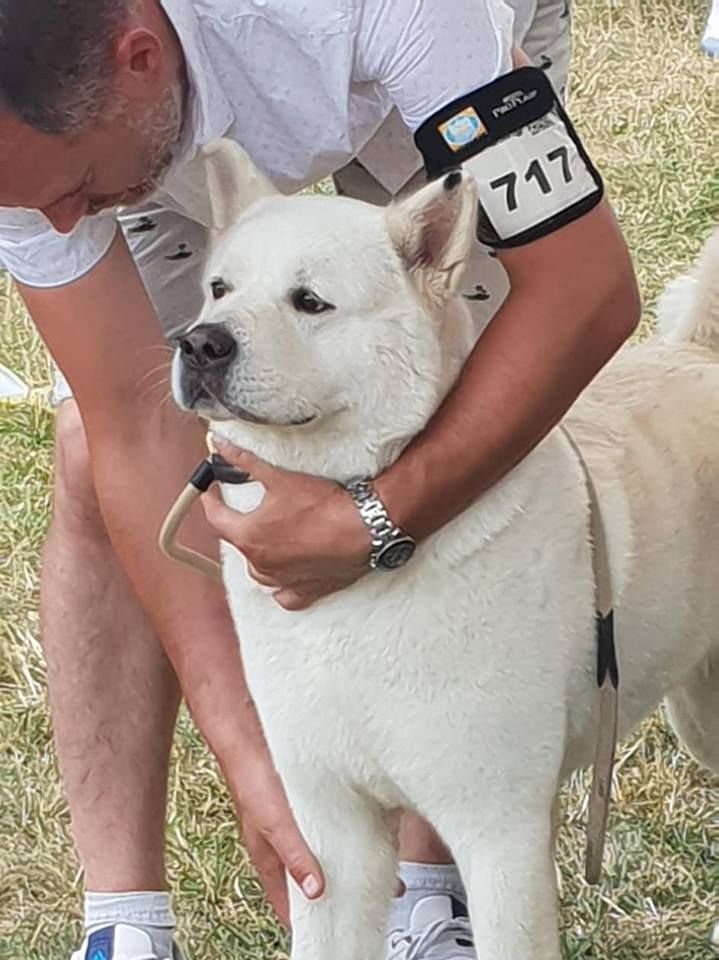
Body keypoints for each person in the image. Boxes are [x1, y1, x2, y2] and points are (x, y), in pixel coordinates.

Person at [0, 1, 639, 958]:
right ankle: (124, 922)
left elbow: (584, 287)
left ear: (136, 58)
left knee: (451, 380)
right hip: (154, 126)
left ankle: (427, 891)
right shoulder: (30, 158)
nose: (55, 221)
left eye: (73, 187)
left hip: (411, 68)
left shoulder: (412, 12)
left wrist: (377, 516)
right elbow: (131, 427)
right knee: (88, 457)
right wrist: (252, 761)